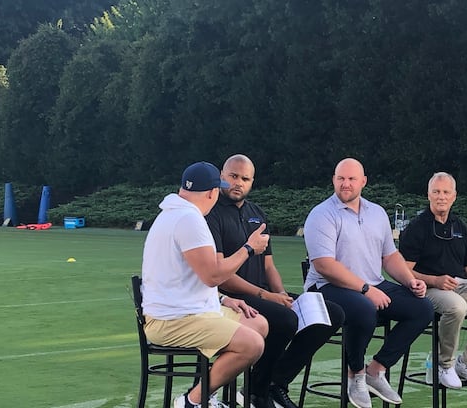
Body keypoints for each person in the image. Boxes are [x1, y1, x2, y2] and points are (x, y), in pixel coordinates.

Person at [206, 154, 345, 408]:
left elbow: (268, 265)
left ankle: (275, 383)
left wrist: (282, 296)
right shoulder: (212, 213)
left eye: (245, 179)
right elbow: (221, 275)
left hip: (264, 294)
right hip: (233, 298)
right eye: (233, 176)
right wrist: (267, 297)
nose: (238, 183)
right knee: (285, 320)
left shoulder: (257, 213)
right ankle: (256, 392)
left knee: (331, 313)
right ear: (222, 176)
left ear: (252, 181)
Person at [304, 157, 434, 408]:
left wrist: (410, 280)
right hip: (327, 287)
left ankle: (376, 370)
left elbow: (390, 256)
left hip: (373, 283)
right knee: (364, 308)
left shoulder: (377, 213)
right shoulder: (322, 214)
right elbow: (324, 265)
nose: (345, 184)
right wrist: (365, 289)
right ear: (333, 179)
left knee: (423, 308)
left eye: (352, 179)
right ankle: (356, 375)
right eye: (340, 178)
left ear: (363, 181)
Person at [141, 161, 271, 408]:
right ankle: (193, 402)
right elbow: (212, 276)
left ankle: (205, 393)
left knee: (259, 324)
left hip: (181, 311)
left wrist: (222, 299)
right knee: (252, 344)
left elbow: (185, 277)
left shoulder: (173, 214)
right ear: (212, 193)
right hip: (174, 319)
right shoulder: (189, 219)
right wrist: (248, 249)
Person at [398, 172, 467, 392]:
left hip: (460, 285)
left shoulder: (460, 227)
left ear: (454, 196)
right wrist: (435, 280)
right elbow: (404, 271)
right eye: (436, 192)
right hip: (426, 288)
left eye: (446, 192)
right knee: (456, 307)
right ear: (428, 194)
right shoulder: (417, 228)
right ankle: (444, 364)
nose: (441, 197)